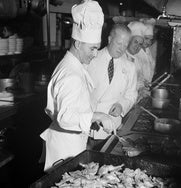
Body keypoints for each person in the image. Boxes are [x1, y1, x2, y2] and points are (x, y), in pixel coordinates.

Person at [40, 0, 115, 171]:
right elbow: (65, 118)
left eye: (97, 49)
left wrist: (89, 119)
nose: (95, 54)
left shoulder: (73, 65)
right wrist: (96, 116)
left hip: (69, 144)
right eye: (92, 49)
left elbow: (73, 107)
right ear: (78, 43)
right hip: (65, 150)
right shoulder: (71, 74)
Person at [87, 24, 138, 146]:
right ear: (109, 39)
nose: (122, 49)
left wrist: (122, 106)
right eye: (119, 43)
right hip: (88, 128)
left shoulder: (130, 67)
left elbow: (131, 94)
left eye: (125, 45)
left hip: (112, 130)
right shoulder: (90, 60)